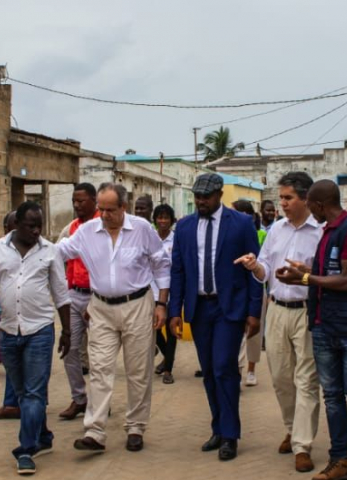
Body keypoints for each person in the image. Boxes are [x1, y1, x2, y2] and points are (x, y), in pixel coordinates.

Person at [276, 179, 347, 480]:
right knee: (332, 395)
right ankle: (339, 459)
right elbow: (326, 275)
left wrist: (305, 280)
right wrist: (305, 272)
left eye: (311, 206)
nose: (310, 211)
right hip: (324, 325)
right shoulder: (326, 233)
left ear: (320, 205)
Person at [56, 183, 170, 453]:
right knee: (100, 369)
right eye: (101, 209)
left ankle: (135, 427)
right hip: (101, 309)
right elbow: (59, 253)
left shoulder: (142, 229)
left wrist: (161, 303)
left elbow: (161, 265)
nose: (104, 215)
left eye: (110, 210)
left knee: (138, 371)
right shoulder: (86, 232)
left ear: (123, 207)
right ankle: (95, 431)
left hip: (138, 306)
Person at [169, 173, 262, 462]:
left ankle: (231, 435)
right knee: (209, 372)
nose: (200, 201)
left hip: (228, 307)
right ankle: (218, 428)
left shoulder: (241, 224)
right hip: (199, 309)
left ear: (219, 195)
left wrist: (254, 311)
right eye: (197, 196)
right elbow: (178, 271)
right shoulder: (183, 227)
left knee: (224, 368)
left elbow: (254, 269)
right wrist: (175, 310)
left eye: (206, 196)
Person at [234, 171, 323, 473]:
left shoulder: (321, 232)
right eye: (282, 197)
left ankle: (302, 444)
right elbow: (266, 268)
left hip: (308, 311)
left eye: (288, 198)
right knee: (281, 378)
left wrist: (305, 275)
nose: (282, 203)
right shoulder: (276, 230)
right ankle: (291, 427)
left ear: (305, 199)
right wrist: (254, 266)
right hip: (277, 308)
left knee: (307, 379)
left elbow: (327, 275)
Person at [0, 201, 71, 476]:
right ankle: (43, 436)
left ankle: (26, 449)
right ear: (16, 224)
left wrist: (67, 330)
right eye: (31, 226)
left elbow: (61, 295)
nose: (37, 230)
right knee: (21, 392)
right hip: (8, 331)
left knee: (33, 392)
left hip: (40, 330)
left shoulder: (50, 251)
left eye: (40, 225)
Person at [57, 183, 100, 421]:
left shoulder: (102, 226)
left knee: (98, 353)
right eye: (74, 201)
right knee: (70, 349)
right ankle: (79, 398)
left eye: (81, 201)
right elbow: (58, 256)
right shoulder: (71, 228)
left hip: (97, 296)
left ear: (93, 200)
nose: (76, 205)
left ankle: (99, 399)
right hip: (73, 294)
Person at [0, 210, 25, 421]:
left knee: (32, 365)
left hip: (34, 322)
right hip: (8, 318)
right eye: (10, 228)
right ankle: (12, 403)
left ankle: (30, 404)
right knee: (12, 363)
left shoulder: (37, 251)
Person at [231, 199, 264, 387]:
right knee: (238, 336)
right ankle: (237, 371)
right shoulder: (229, 232)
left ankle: (250, 369)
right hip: (236, 291)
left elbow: (261, 264)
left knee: (251, 335)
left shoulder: (258, 233)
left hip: (256, 288)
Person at [151, 204, 178, 385]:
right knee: (154, 328)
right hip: (152, 290)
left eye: (166, 217)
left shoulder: (176, 240)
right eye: (159, 217)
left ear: (171, 220)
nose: (162, 221)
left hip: (173, 290)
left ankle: (168, 369)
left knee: (171, 329)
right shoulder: (150, 238)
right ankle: (165, 356)